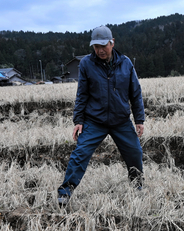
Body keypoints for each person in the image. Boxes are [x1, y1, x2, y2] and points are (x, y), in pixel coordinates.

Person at [57, 25, 145, 205]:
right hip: (95, 121)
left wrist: (139, 119)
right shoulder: (87, 64)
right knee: (80, 153)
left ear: (112, 43)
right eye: (96, 47)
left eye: (103, 46)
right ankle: (65, 192)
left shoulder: (126, 63)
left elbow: (135, 92)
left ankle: (137, 185)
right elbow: (82, 93)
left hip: (121, 120)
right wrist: (79, 120)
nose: (99, 50)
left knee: (135, 152)